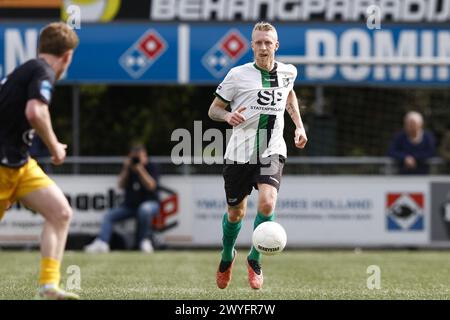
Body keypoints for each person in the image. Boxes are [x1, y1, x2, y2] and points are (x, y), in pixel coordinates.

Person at [208, 22, 307, 290]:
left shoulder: (288, 72)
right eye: (258, 42)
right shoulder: (237, 75)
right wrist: (227, 115)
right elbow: (213, 110)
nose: (263, 47)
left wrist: (298, 125)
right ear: (252, 46)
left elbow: (289, 95)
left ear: (276, 46)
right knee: (235, 214)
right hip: (239, 154)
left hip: (272, 149)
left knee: (267, 204)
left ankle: (255, 258)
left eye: (268, 42)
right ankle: (227, 256)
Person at [0, 22, 79, 299]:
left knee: (61, 213)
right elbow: (35, 111)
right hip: (3, 167)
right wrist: (55, 146)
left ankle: (48, 285)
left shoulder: (24, 71)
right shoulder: (42, 71)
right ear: (67, 56)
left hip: (19, 165)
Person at [84, 143, 160, 253]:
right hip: (130, 206)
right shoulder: (129, 169)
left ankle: (144, 241)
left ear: (145, 156)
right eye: (134, 157)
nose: (136, 160)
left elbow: (151, 185)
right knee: (109, 215)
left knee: (144, 210)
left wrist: (140, 170)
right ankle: (102, 242)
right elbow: (120, 185)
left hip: (150, 203)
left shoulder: (152, 166)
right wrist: (126, 169)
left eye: (138, 157)